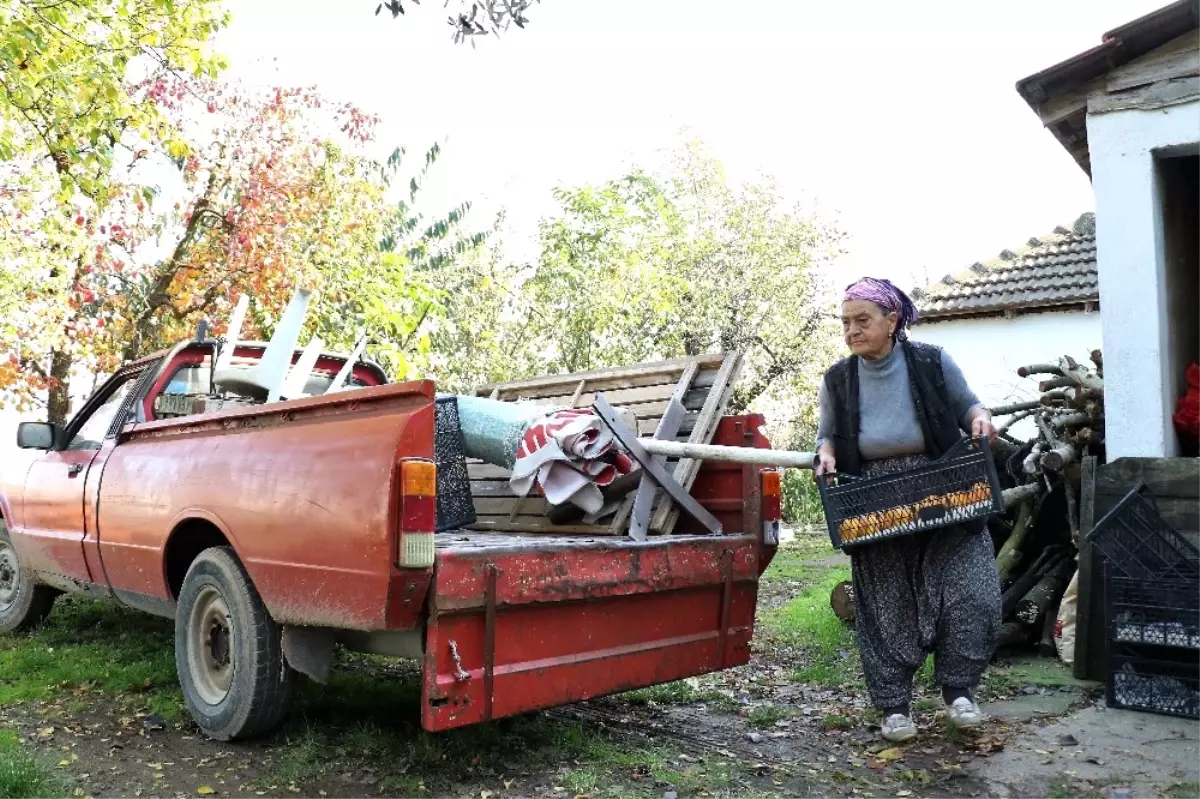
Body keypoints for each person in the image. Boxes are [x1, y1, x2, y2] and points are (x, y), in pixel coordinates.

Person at [814, 276, 1002, 743]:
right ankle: (894, 706)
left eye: (862, 320)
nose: (852, 331)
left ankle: (960, 692)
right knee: (883, 598)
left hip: (943, 486)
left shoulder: (931, 361)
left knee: (969, 587)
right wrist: (826, 452)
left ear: (892, 320)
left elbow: (969, 407)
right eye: (845, 323)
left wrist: (981, 420)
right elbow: (827, 435)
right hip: (873, 496)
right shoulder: (838, 379)